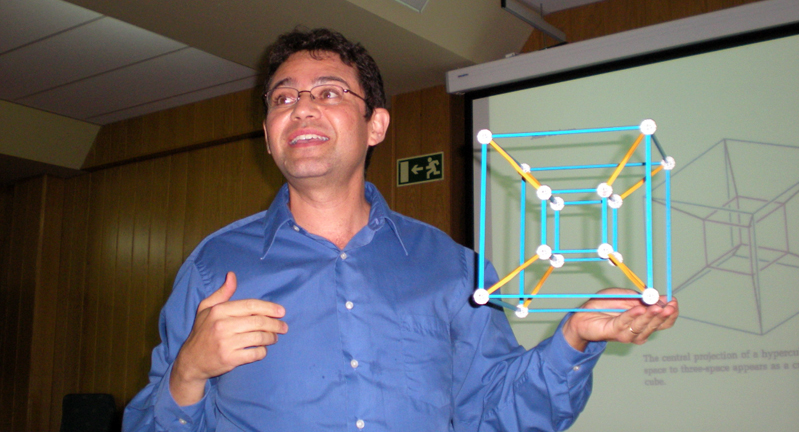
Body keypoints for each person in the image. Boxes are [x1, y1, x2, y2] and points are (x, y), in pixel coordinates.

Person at [123, 28, 678, 432]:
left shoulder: (453, 268)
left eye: (330, 92)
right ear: (268, 135)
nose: (302, 108)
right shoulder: (211, 267)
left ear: (377, 125)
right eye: (284, 98)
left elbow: (500, 414)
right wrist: (188, 372)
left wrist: (576, 336)